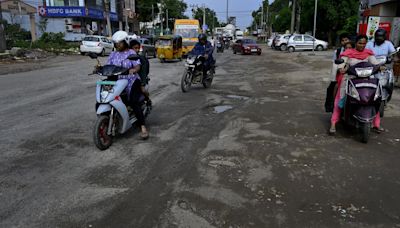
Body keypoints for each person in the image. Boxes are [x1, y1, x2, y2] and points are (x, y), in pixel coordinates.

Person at [329, 34, 384, 134]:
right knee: (340, 100)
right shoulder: (348, 53)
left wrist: (379, 66)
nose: (362, 45)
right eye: (360, 43)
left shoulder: (368, 53)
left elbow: (375, 63)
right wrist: (341, 68)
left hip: (367, 79)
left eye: (364, 43)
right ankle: (333, 123)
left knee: (374, 99)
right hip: (350, 79)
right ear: (356, 43)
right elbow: (342, 62)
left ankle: (377, 124)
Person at [107, 31, 149, 139]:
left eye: (120, 43)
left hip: (131, 81)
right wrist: (100, 68)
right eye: (116, 43)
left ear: (125, 42)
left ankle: (143, 127)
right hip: (117, 81)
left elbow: (138, 66)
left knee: (133, 102)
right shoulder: (113, 54)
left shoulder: (131, 53)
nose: (118, 45)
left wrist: (134, 69)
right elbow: (108, 66)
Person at [325, 34, 351, 112]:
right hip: (341, 73)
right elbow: (335, 64)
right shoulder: (338, 51)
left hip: (353, 73)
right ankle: (333, 104)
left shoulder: (355, 50)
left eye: (346, 40)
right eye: (342, 40)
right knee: (334, 86)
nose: (344, 42)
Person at [129, 39, 152, 106]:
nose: (137, 50)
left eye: (138, 48)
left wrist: (142, 83)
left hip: (140, 79)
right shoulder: (126, 57)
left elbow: (144, 72)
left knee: (143, 90)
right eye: (135, 48)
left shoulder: (141, 59)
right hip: (129, 80)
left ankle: (148, 100)